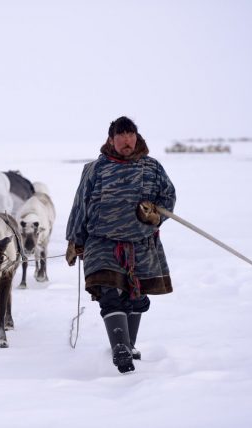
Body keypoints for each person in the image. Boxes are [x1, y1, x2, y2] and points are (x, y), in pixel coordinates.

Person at [65, 116, 176, 373]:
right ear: (111, 139)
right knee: (109, 294)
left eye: (131, 135)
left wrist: (156, 214)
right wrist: (75, 240)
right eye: (121, 135)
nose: (127, 140)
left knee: (136, 297)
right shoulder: (95, 169)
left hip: (141, 245)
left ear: (136, 137)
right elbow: (80, 205)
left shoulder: (153, 168)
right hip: (102, 243)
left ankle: (128, 346)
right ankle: (120, 349)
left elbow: (168, 197)